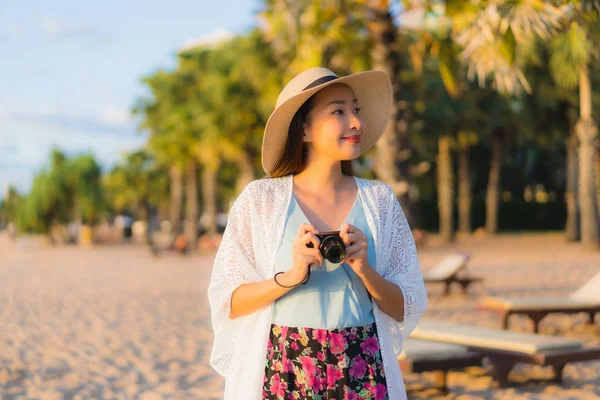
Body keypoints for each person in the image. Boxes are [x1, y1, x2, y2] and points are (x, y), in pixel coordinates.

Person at [208, 67, 428, 400]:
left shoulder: (379, 201)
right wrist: (291, 277)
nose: (355, 122)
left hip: (363, 364)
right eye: (338, 111)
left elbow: (405, 306)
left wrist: (365, 271)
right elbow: (229, 302)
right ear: (305, 129)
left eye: (356, 109)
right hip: (285, 367)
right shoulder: (261, 200)